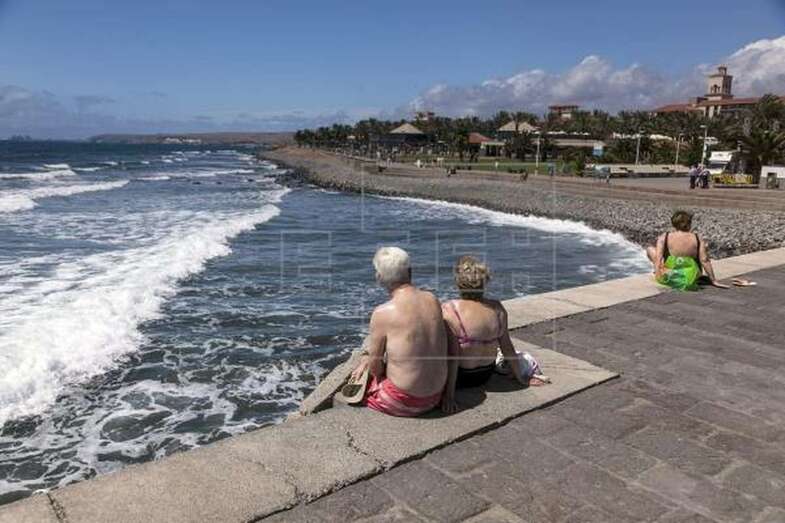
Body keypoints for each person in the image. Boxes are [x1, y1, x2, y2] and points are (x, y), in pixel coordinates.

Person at [440, 256, 549, 413]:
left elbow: (452, 356)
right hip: (484, 375)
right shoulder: (497, 309)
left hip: (461, 378)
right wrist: (521, 378)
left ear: (458, 283)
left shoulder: (449, 309)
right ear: (485, 282)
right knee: (521, 356)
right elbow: (507, 348)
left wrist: (449, 395)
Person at [350, 247, 449, 417]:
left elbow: (375, 369)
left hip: (404, 402)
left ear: (379, 278)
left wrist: (367, 359)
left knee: (361, 384)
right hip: (436, 395)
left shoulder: (382, 313)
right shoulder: (432, 299)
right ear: (410, 271)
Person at [646, 211, 729, 291]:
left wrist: (658, 274)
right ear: (689, 224)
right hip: (691, 275)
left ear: (674, 224)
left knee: (650, 249)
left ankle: (661, 271)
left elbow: (659, 258)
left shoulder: (665, 236)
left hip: (672, 273)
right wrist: (713, 280)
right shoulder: (697, 238)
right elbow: (704, 260)